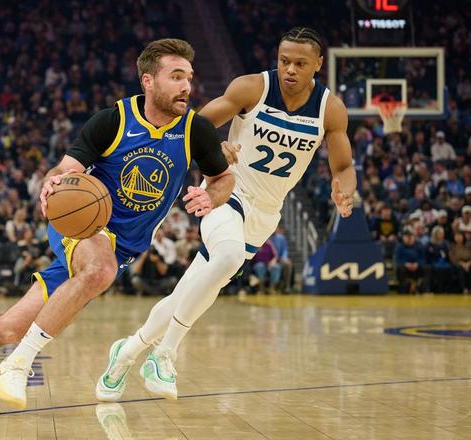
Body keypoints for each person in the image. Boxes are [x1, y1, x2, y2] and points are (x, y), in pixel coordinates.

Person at [0, 38, 234, 409]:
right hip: (82, 222)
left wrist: (212, 197)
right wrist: (53, 180)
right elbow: (65, 169)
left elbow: (223, 178)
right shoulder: (113, 120)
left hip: (124, 247)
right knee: (99, 270)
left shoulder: (195, 130)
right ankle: (16, 365)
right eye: (176, 76)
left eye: (189, 77)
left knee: (10, 327)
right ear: (148, 81)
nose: (186, 86)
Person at [96, 27, 356, 402]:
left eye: (300, 64)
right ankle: (164, 354)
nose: (290, 69)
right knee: (228, 256)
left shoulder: (330, 109)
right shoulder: (252, 88)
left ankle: (126, 352)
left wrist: (343, 188)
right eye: (284, 61)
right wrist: (215, 146)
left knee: (191, 291)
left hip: (266, 213)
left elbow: (343, 166)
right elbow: (196, 126)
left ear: (318, 64)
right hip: (226, 192)